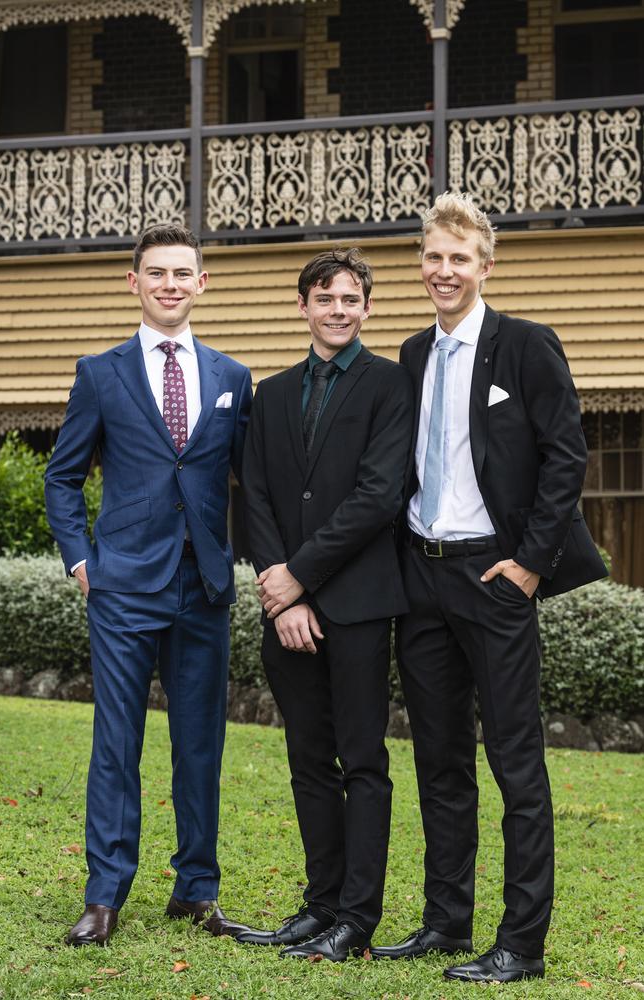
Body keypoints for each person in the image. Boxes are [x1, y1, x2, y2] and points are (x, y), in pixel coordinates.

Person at [370, 193, 607, 982]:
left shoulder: (527, 347)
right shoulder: (410, 353)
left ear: (485, 266)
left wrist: (533, 563)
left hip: (495, 578)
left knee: (515, 761)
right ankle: (446, 922)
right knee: (438, 759)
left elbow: (566, 456)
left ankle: (523, 942)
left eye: (459, 259)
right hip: (423, 575)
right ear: (422, 263)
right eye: (433, 257)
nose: (445, 271)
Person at [44, 224, 252, 947]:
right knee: (116, 743)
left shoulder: (232, 378)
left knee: (201, 746)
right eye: (156, 273)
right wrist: (82, 562)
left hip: (204, 588)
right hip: (123, 588)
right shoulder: (100, 373)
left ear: (203, 285)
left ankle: (196, 891)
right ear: (133, 283)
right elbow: (62, 477)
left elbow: (248, 485)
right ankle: (104, 895)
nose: (169, 284)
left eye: (182, 273)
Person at [238, 248, 413, 962]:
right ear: (302, 305)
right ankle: (319, 906)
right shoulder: (271, 395)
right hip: (287, 612)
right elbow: (254, 495)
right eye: (325, 296)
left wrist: (300, 579)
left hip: (362, 607)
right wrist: (281, 598)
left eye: (350, 298)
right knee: (309, 761)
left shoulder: (391, 386)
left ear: (367, 308)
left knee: (363, 762)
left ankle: (357, 919)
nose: (338, 309)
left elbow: (378, 496)